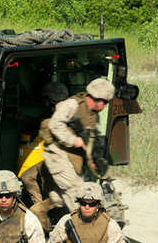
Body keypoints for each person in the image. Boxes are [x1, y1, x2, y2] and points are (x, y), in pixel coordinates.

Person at [42, 78, 115, 212]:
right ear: (94, 97)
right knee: (77, 191)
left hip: (74, 158)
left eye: (107, 102)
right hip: (57, 154)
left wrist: (93, 159)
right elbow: (54, 124)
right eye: (104, 102)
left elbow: (90, 140)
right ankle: (83, 226)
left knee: (59, 199)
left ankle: (38, 211)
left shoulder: (94, 116)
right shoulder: (72, 105)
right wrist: (74, 140)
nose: (105, 106)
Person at [18, 82, 70, 207]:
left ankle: (42, 209)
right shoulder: (54, 112)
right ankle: (39, 208)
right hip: (53, 158)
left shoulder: (65, 114)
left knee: (37, 180)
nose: (45, 103)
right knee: (27, 177)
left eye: (47, 99)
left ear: (53, 99)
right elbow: (40, 123)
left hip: (63, 160)